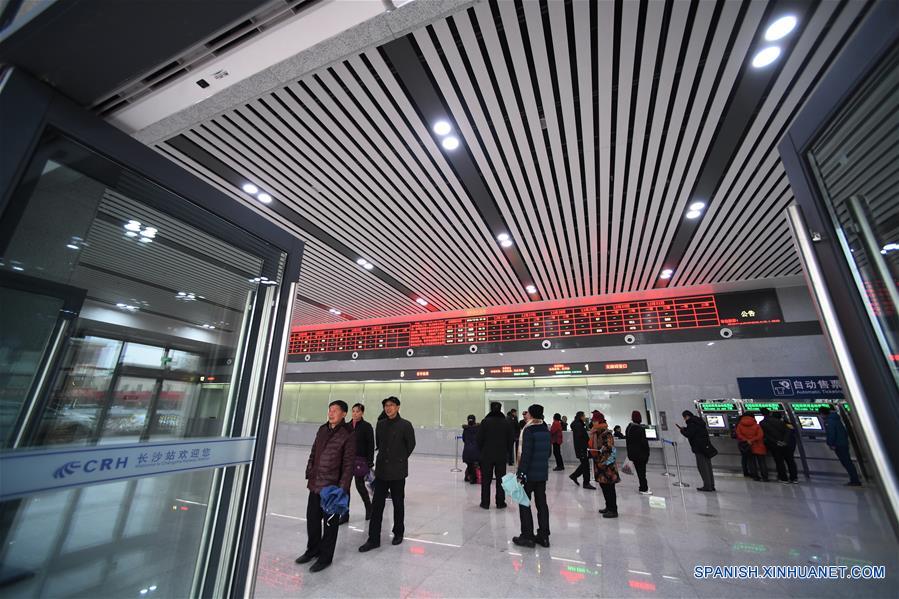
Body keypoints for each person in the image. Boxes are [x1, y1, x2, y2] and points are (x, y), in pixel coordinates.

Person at [295, 400, 355, 572]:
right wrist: (309, 470)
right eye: (329, 410)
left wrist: (342, 489)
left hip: (332, 489)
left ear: (344, 414)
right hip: (315, 485)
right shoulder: (322, 429)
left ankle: (325, 558)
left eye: (335, 410)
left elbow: (348, 464)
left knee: (329, 526)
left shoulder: (348, 434)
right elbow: (314, 452)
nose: (331, 413)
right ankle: (312, 550)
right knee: (312, 520)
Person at [359, 397, 416, 552]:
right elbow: (380, 444)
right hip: (382, 471)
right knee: (377, 505)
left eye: (391, 405)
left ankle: (398, 532)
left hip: (398, 472)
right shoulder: (381, 424)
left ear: (398, 407)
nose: (388, 408)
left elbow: (411, 445)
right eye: (385, 405)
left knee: (398, 504)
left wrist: (400, 458)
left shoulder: (406, 425)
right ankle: (373, 539)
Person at [512, 404, 551, 548]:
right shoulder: (545, 429)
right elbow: (548, 453)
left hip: (529, 475)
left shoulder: (528, 430)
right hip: (541, 474)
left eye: (527, 412)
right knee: (542, 505)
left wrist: (521, 473)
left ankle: (527, 536)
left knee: (524, 504)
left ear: (532, 414)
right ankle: (544, 536)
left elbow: (526, 454)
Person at [477, 401, 514, 509]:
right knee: (501, 480)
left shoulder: (485, 422)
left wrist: (483, 450)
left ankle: (485, 503)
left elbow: (479, 439)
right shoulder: (506, 422)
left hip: (486, 455)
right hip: (501, 456)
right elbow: (511, 439)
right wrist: (506, 451)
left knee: (486, 480)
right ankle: (500, 502)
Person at [343, 403, 374, 524]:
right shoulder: (346, 426)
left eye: (358, 411)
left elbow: (371, 445)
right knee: (345, 488)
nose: (355, 414)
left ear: (362, 413)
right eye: (353, 411)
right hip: (346, 461)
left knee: (360, 486)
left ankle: (369, 508)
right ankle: (345, 513)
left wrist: (370, 461)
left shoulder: (367, 426)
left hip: (360, 461)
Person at [820, 406, 861, 486]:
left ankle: (855, 480)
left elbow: (831, 434)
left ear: (823, 414)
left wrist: (830, 443)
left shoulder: (830, 421)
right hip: (843, 443)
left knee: (846, 462)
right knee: (848, 462)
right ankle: (854, 479)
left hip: (838, 444)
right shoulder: (836, 419)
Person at [589, 412, 620, 518]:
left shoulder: (606, 433)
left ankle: (613, 510)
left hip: (607, 467)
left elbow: (611, 450)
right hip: (600, 465)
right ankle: (608, 507)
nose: (593, 422)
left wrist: (603, 461)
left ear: (600, 421)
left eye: (594, 420)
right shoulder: (596, 433)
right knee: (604, 487)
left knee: (610, 488)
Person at [677, 410, 716, 492]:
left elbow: (689, 434)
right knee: (708, 466)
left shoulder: (691, 423)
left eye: (684, 418)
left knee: (702, 467)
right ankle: (711, 485)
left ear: (687, 416)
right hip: (705, 446)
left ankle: (707, 486)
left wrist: (682, 430)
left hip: (699, 447)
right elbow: (695, 431)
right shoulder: (698, 422)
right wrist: (686, 429)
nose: (685, 420)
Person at [735, 412, 768, 481]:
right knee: (761, 462)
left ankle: (755, 476)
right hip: (758, 445)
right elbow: (760, 435)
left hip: (748, 447)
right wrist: (752, 440)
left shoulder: (740, 425)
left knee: (752, 462)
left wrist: (747, 440)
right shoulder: (756, 425)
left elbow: (739, 434)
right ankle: (765, 477)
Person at [760, 409, 790, 483]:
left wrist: (777, 442)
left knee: (778, 461)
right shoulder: (780, 421)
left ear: (762, 414)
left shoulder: (762, 423)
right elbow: (787, 431)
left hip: (773, 444)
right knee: (787, 461)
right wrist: (784, 441)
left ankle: (783, 478)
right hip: (783, 444)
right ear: (769, 413)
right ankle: (791, 477)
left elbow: (766, 435)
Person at [625, 410, 651, 495]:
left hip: (633, 454)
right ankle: (643, 488)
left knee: (640, 472)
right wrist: (647, 454)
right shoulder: (640, 429)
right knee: (642, 472)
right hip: (641, 454)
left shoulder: (628, 428)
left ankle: (642, 487)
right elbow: (644, 443)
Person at [568, 411, 595, 489]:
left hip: (581, 448)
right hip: (582, 448)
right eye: (584, 416)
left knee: (584, 464)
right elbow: (580, 437)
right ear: (580, 417)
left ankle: (574, 476)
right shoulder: (578, 425)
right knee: (586, 465)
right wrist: (586, 445)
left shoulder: (577, 425)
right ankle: (586, 483)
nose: (585, 418)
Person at [774, 412, 799, 483]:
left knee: (780, 462)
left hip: (779, 445)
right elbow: (792, 432)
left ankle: (783, 477)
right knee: (790, 461)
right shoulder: (788, 424)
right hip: (789, 445)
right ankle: (794, 478)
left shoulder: (775, 424)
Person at [462, 414, 480, 485]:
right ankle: (473, 478)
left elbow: (464, 439)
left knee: (469, 464)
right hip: (476, 450)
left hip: (467, 450)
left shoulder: (465, 429)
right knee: (474, 464)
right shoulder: (478, 428)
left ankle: (468, 477)